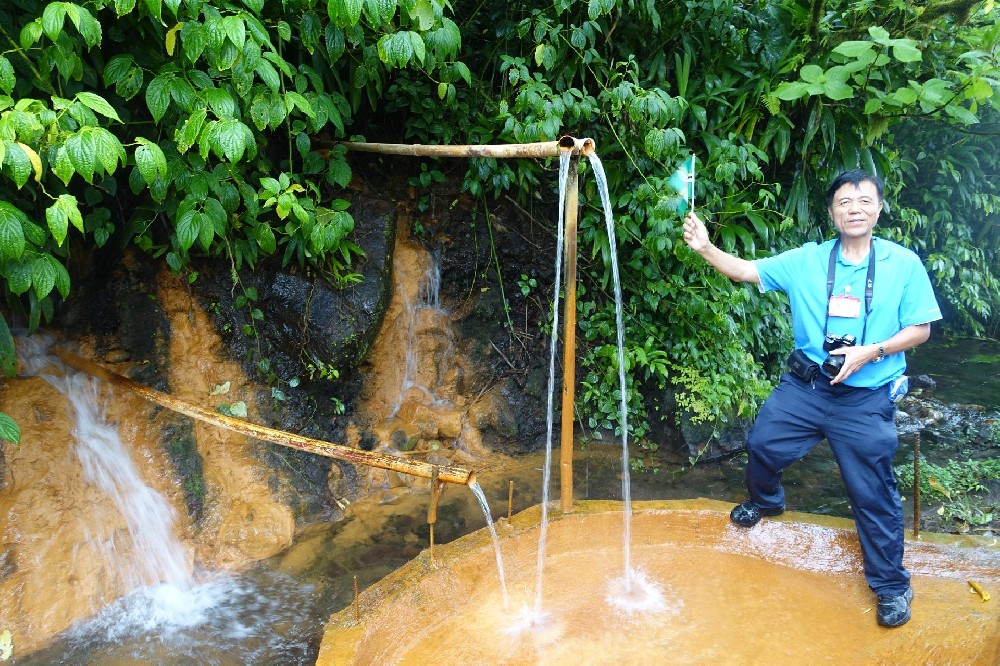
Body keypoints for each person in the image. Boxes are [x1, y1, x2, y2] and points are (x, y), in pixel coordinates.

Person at [681, 169, 942, 628]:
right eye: (844, 202)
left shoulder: (904, 265)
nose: (854, 208)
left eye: (864, 201)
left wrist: (872, 351)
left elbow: (921, 329)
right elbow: (745, 270)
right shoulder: (807, 260)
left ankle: (891, 586)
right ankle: (767, 501)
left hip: (865, 398)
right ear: (831, 212)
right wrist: (704, 246)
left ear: (879, 209)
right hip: (806, 387)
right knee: (762, 445)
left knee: (872, 492)